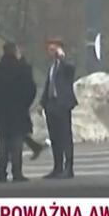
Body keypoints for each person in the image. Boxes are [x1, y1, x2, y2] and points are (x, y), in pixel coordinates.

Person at [0, 42, 37, 182]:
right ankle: (17, 172)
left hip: (2, 112)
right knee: (16, 144)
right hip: (19, 111)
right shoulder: (23, 69)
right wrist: (25, 104)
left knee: (2, 143)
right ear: (15, 51)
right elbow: (31, 90)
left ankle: (2, 173)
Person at [40, 40, 77, 179]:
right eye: (49, 50)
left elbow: (70, 70)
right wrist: (42, 103)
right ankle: (57, 166)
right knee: (54, 137)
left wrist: (62, 57)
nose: (50, 52)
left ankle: (69, 168)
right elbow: (48, 85)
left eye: (53, 49)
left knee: (65, 136)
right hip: (51, 105)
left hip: (63, 105)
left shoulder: (67, 64)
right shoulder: (52, 66)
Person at [16, 45, 44, 160]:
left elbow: (30, 87)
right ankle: (35, 147)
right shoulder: (22, 67)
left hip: (19, 103)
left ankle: (34, 147)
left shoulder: (22, 67)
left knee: (18, 130)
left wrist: (26, 101)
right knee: (20, 130)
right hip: (21, 103)